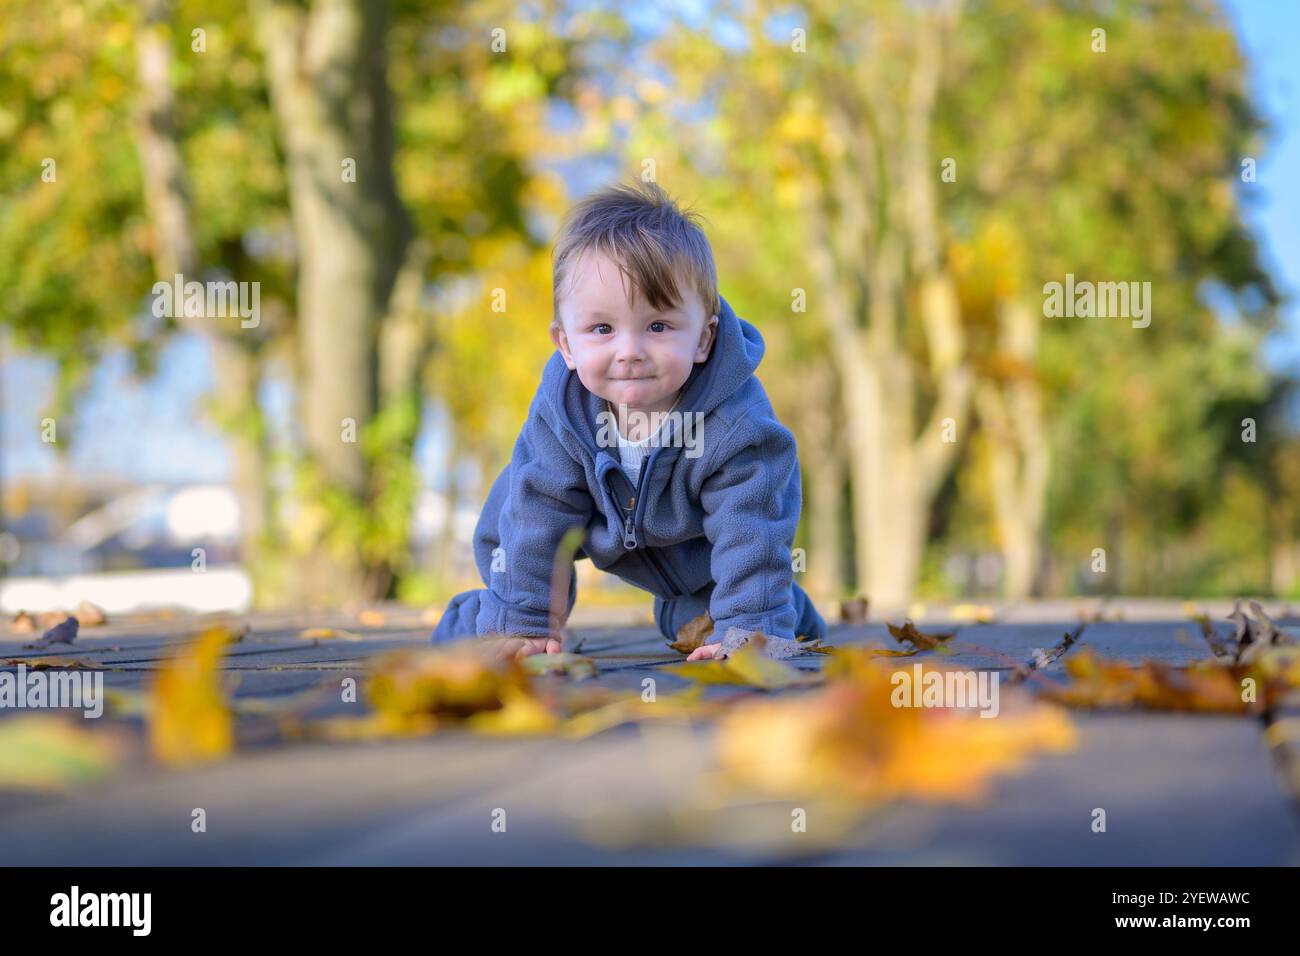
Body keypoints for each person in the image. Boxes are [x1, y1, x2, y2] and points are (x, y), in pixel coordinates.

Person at [431, 180, 827, 660]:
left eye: (658, 326)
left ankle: (773, 611)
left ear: (703, 338)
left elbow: (752, 525)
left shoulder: (736, 424)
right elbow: (540, 519)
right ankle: (490, 619)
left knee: (705, 619)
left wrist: (751, 632)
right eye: (602, 329)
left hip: (694, 548)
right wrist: (526, 625)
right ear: (566, 345)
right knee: (508, 604)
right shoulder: (563, 416)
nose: (630, 351)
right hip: (556, 535)